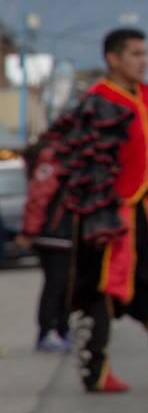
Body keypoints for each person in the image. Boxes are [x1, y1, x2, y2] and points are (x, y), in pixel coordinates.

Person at [21, 28, 148, 393]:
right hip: (104, 215)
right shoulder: (97, 102)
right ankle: (95, 371)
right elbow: (77, 159)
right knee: (96, 289)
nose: (143, 61)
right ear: (113, 58)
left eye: (145, 53)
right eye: (134, 54)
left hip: (144, 212)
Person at [16, 136, 73, 352]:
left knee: (64, 285)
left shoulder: (63, 157)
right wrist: (30, 231)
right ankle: (48, 332)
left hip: (62, 235)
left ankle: (61, 329)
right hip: (54, 235)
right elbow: (39, 197)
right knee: (55, 286)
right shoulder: (52, 160)